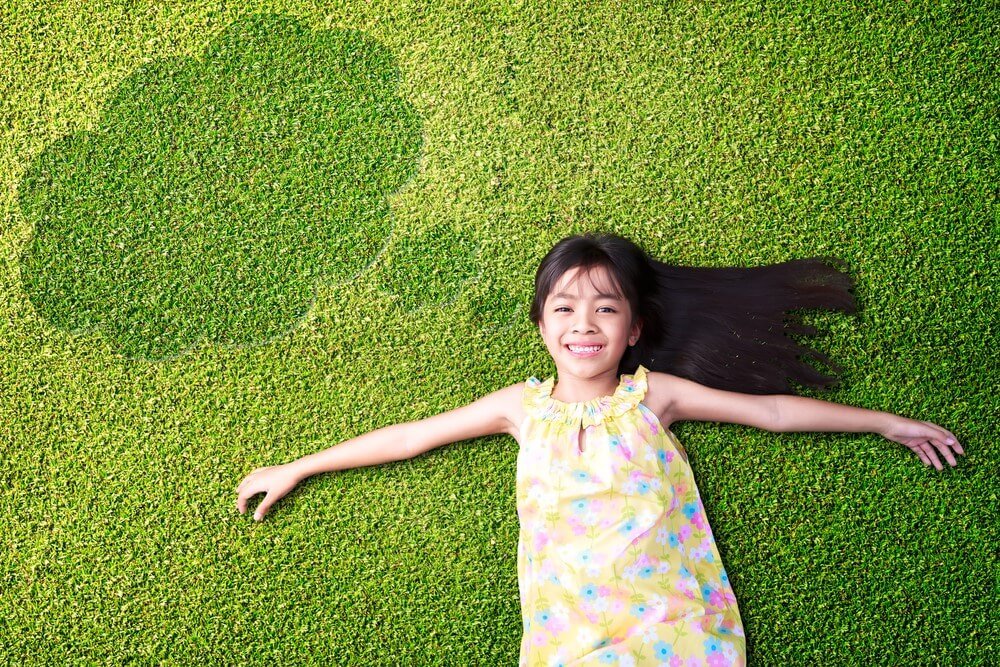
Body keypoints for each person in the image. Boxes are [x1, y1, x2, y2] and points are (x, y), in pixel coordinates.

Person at [235, 231, 964, 666]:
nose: (584, 324)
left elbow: (770, 411)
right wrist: (301, 464)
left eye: (605, 307)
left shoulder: (655, 396)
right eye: (565, 307)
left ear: (634, 329)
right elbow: (411, 436)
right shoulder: (520, 407)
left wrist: (884, 422)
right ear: (541, 324)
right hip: (574, 642)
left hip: (670, 630)